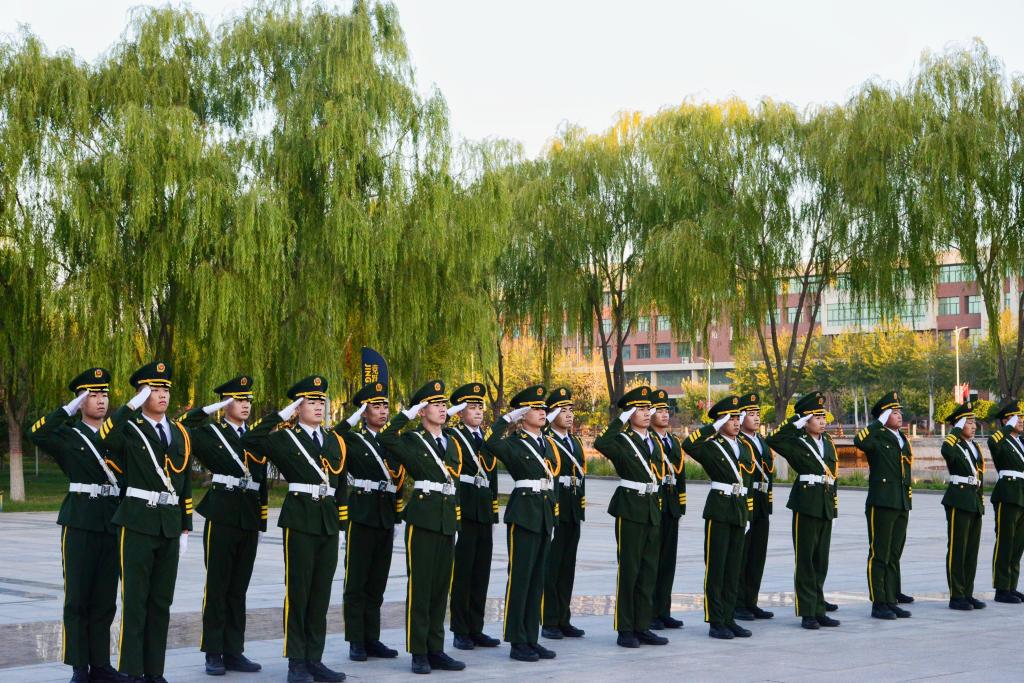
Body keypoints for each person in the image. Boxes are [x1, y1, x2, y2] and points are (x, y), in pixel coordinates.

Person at [242, 375, 346, 683]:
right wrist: (281, 414)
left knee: (321, 593)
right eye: (310, 401)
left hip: (327, 520)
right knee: (299, 592)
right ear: (298, 407)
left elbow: (340, 484)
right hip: (300, 518)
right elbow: (250, 439)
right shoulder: (284, 438)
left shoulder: (334, 440)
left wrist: (341, 524)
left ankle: (315, 658)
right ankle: (296, 660)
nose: (318, 406)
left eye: (321, 401)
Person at [98, 361, 193, 682]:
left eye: (166, 389)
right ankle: (132, 671)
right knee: (135, 602)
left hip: (169, 522)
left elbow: (184, 483)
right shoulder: (129, 427)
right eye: (154, 389)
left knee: (161, 603)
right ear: (141, 393)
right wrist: (130, 406)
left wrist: (185, 525)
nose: (162, 394)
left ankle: (154, 672)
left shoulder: (180, 432)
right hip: (138, 520)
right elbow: (105, 437)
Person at [29, 368, 125, 683]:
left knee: (105, 599)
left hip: (112, 519)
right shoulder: (68, 434)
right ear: (81, 400)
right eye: (92, 395)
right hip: (80, 519)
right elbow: (36, 434)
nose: (101, 400)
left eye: (104, 394)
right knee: (78, 597)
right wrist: (67, 409)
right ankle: (79, 666)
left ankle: (101, 665)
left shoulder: (118, 433)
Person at [179, 375, 265, 675]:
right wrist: (208, 409)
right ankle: (213, 651)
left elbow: (261, 480)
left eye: (247, 400)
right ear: (226, 403)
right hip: (222, 513)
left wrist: (262, 520)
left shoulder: (256, 435)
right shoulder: (211, 433)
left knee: (239, 588)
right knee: (218, 586)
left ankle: (234, 650)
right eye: (238, 400)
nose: (245, 405)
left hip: (248, 515)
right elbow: (182, 427)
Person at [378, 380, 466, 675]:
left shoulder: (451, 442)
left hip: (446, 519)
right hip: (423, 518)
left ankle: (436, 648)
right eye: (435, 404)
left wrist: (456, 519)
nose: (442, 409)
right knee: (421, 587)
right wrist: (406, 413)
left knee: (441, 588)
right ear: (422, 411)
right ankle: (418, 651)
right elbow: (386, 438)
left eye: (443, 404)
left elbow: (454, 483)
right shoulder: (413, 439)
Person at [483, 385, 559, 662]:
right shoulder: (514, 442)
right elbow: (490, 442)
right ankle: (517, 640)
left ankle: (531, 638)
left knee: (537, 580)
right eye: (535, 408)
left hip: (544, 513)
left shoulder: (546, 443)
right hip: (524, 513)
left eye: (543, 408)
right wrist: (507, 418)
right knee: (520, 579)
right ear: (523, 414)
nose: (542, 412)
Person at [333, 381, 402, 663]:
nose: (383, 411)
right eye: (376, 406)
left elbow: (399, 481)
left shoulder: (392, 440)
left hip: (385, 514)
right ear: (364, 411)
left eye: (385, 405)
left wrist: (397, 516)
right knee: (356, 581)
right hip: (361, 514)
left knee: (377, 582)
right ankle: (356, 639)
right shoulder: (353, 439)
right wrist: (352, 418)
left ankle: (372, 637)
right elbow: (332, 438)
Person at [593, 386, 667, 648]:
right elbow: (601, 443)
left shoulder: (654, 440)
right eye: (640, 409)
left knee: (648, 571)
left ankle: (642, 625)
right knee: (630, 571)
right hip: (630, 508)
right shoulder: (623, 439)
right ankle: (625, 628)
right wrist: (621, 419)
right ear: (629, 413)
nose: (646, 413)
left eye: (648, 409)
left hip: (651, 508)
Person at [766, 391, 840, 630]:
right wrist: (795, 421)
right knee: (806, 560)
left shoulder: (827, 441)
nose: (822, 421)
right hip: (806, 503)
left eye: (823, 416)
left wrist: (834, 505)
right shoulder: (797, 440)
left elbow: (834, 474)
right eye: (816, 417)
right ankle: (807, 611)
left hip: (825, 503)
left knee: (821, 560)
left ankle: (819, 608)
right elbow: (773, 439)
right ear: (806, 421)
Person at [682, 395, 753, 640]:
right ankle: (715, 621)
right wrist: (712, 426)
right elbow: (689, 445)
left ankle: (729, 617)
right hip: (720, 508)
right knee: (716, 567)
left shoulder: (744, 446)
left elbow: (748, 480)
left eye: (737, 418)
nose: (736, 422)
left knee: (733, 568)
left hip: (739, 507)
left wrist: (748, 512)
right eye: (730, 418)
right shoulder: (711, 445)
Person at [445, 382, 501, 651]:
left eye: (480, 406)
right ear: (460, 411)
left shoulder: (487, 439)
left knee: (481, 573)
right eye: (471, 407)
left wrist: (493, 511)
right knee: (463, 573)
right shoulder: (453, 436)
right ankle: (460, 630)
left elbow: (492, 476)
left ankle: (476, 628)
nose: (478, 411)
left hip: (483, 511)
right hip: (465, 508)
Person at [854, 391, 914, 619]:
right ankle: (878, 602)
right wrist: (877, 423)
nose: (899, 415)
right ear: (884, 415)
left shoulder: (901, 438)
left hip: (901, 501)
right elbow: (859, 440)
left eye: (899, 412)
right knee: (879, 554)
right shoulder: (877, 436)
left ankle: (890, 598)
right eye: (894, 412)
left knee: (893, 554)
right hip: (882, 501)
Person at [541, 387, 587, 640]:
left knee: (567, 566)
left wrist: (581, 506)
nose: (569, 415)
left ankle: (563, 618)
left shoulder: (575, 442)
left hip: (572, 509)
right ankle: (549, 620)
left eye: (571, 410)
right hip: (556, 508)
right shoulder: (546, 440)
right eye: (563, 411)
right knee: (552, 567)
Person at [939, 401, 986, 610]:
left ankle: (968, 592)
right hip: (958, 498)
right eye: (968, 422)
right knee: (958, 548)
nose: (973, 426)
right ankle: (956, 595)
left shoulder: (973, 446)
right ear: (958, 425)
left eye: (974, 422)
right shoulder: (953, 444)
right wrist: (956, 430)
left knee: (971, 550)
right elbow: (946, 449)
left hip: (973, 499)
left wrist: (980, 500)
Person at [734, 391, 774, 622]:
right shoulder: (738, 442)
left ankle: (751, 600)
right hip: (745, 502)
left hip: (761, 502)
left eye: (758, 413)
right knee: (742, 555)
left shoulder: (761, 441)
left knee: (757, 555)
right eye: (750, 414)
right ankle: (738, 603)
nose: (756, 417)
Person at [648, 389, 685, 631]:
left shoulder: (673, 441)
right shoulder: (648, 440)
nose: (664, 415)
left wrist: (681, 505)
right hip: (655, 505)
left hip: (671, 506)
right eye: (659, 410)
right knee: (653, 562)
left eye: (666, 410)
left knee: (668, 562)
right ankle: (650, 611)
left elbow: (680, 476)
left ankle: (663, 610)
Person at [986, 398, 1024, 604]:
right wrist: (1008, 427)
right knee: (1005, 541)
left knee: (1018, 544)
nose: (1021, 420)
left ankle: (1011, 585)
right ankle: (1001, 588)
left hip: (1022, 495)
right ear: (1005, 421)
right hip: (1008, 494)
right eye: (1017, 417)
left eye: (1022, 417)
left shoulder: (1021, 442)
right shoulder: (1001, 440)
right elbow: (992, 442)